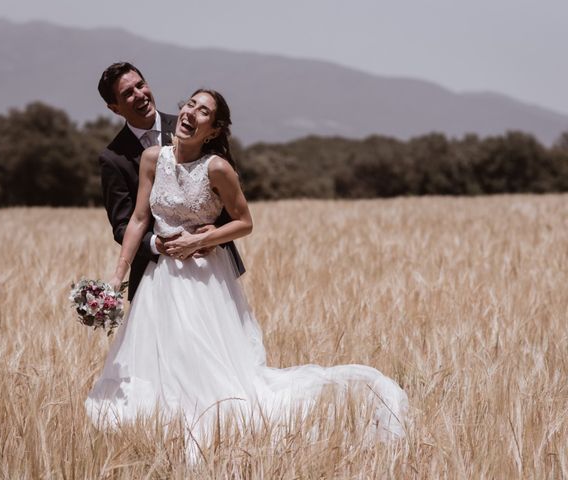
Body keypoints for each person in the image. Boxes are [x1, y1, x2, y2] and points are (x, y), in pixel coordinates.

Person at [85, 88, 408, 447]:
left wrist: (199, 241)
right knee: (157, 361)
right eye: (190, 105)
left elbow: (245, 222)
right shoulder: (151, 158)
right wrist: (118, 276)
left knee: (201, 362)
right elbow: (138, 220)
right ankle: (166, 434)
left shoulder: (218, 168)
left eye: (203, 112)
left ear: (213, 130)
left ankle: (209, 429)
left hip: (203, 280)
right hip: (159, 280)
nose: (191, 113)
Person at [97, 62, 244, 301]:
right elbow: (125, 223)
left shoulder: (191, 123)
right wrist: (158, 244)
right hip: (154, 274)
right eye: (127, 94)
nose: (139, 95)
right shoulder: (113, 158)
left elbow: (227, 196)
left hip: (210, 269)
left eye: (140, 85)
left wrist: (213, 234)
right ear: (115, 108)